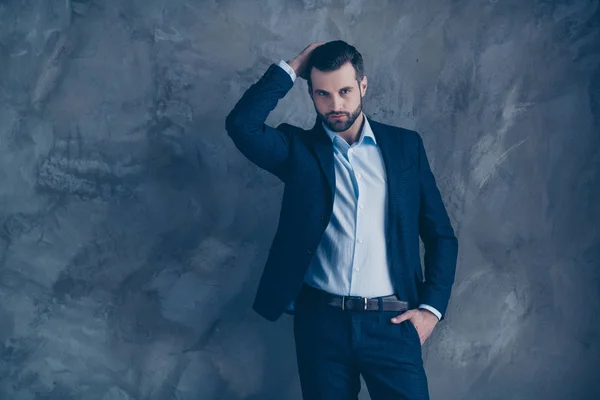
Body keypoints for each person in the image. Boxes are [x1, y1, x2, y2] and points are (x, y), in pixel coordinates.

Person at [225, 40, 458, 400]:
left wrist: (430, 310)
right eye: (323, 94)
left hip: (392, 323)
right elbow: (242, 125)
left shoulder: (404, 147)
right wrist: (293, 67)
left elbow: (441, 235)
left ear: (363, 86)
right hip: (321, 322)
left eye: (345, 91)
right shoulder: (298, 150)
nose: (335, 105)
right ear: (311, 93)